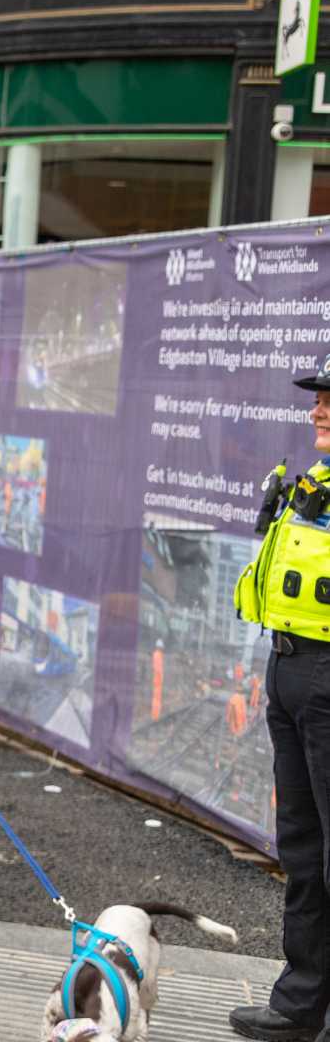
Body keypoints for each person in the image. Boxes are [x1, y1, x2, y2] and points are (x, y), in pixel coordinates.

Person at [231, 357, 330, 1042]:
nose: (318, 409)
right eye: (318, 399)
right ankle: (300, 1006)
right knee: (303, 848)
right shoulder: (314, 484)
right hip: (291, 672)